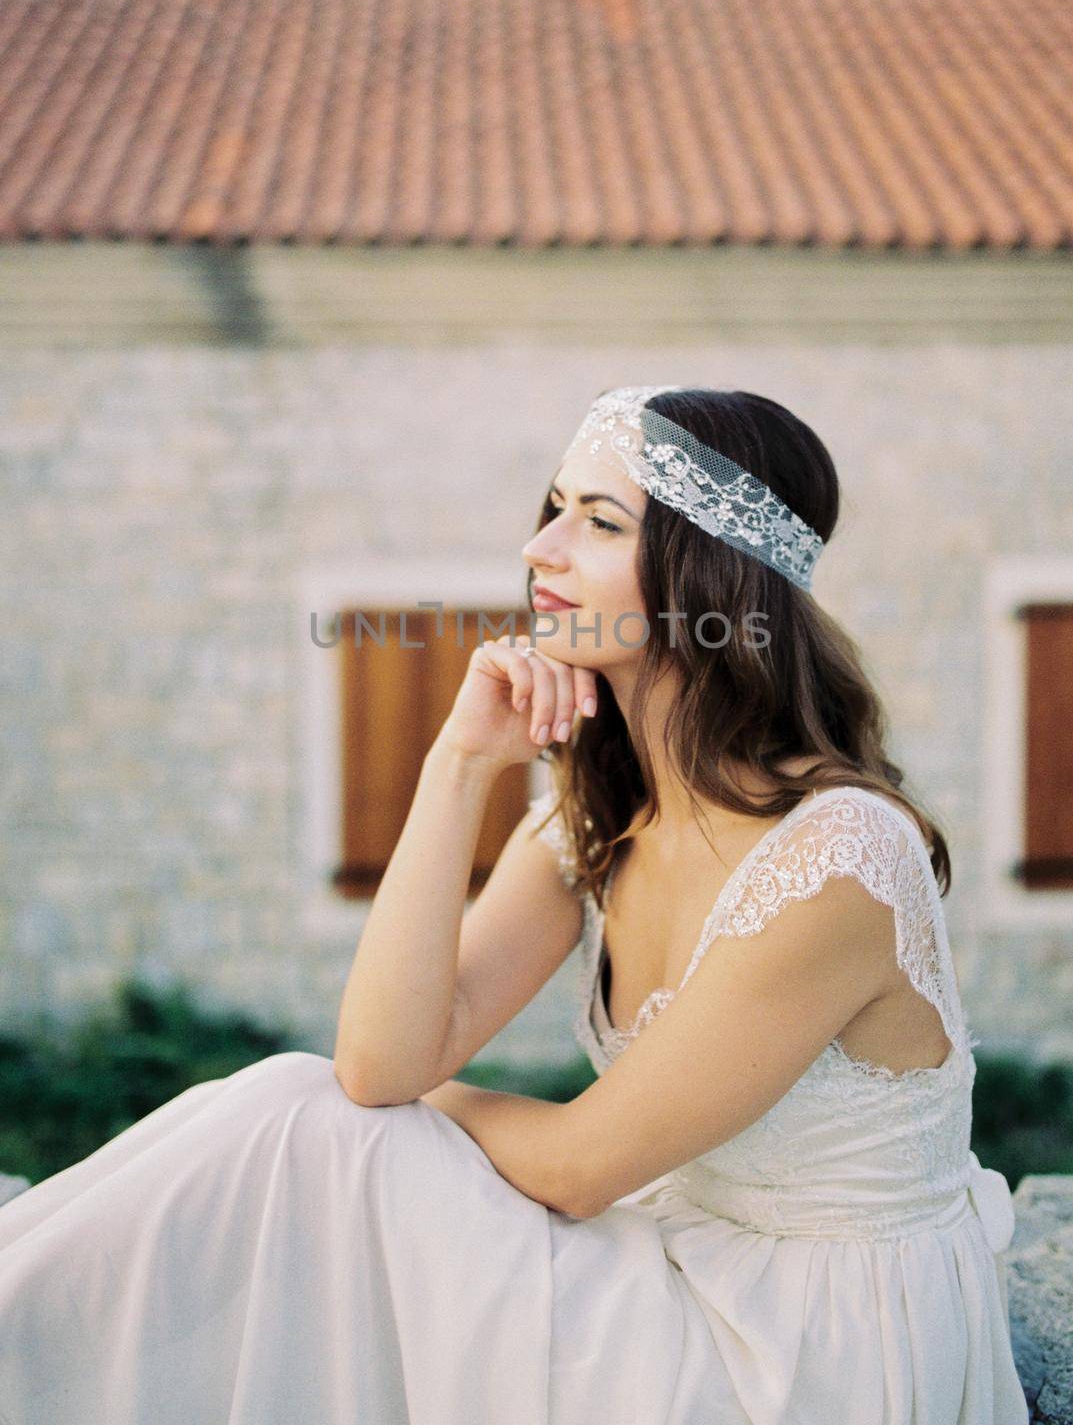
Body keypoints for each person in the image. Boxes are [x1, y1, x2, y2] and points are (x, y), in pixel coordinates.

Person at [0, 384, 1027, 1424]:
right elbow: (379, 1058)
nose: (539, 548)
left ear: (705, 576)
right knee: (295, 1112)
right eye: (551, 507)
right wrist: (457, 764)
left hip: (806, 1352)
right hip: (677, 1271)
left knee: (306, 1121)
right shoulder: (597, 817)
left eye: (595, 520)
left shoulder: (840, 855)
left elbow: (573, 1163)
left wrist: (415, 1112)